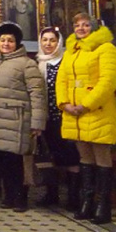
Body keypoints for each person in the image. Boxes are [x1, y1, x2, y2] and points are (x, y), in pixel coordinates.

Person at [57, 13, 116, 224]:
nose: (81, 28)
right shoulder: (71, 50)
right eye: (77, 25)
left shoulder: (105, 48)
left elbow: (107, 82)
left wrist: (86, 104)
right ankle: (87, 202)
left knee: (101, 155)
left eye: (85, 25)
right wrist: (64, 103)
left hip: (96, 110)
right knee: (85, 157)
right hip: (74, 112)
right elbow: (62, 79)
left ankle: (103, 206)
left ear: (93, 28)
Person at [0, 22, 46, 213]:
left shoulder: (27, 64)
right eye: (2, 40)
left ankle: (21, 197)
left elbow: (37, 93)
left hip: (17, 119)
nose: (5, 43)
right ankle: (8, 195)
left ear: (17, 43)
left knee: (17, 161)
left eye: (10, 40)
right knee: (2, 159)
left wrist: (37, 122)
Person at [36, 26, 80, 212]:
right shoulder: (38, 62)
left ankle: (73, 197)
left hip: (64, 115)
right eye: (45, 40)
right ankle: (52, 193)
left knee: (70, 156)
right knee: (50, 155)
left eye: (52, 40)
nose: (48, 44)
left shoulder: (66, 61)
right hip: (46, 117)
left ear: (58, 42)